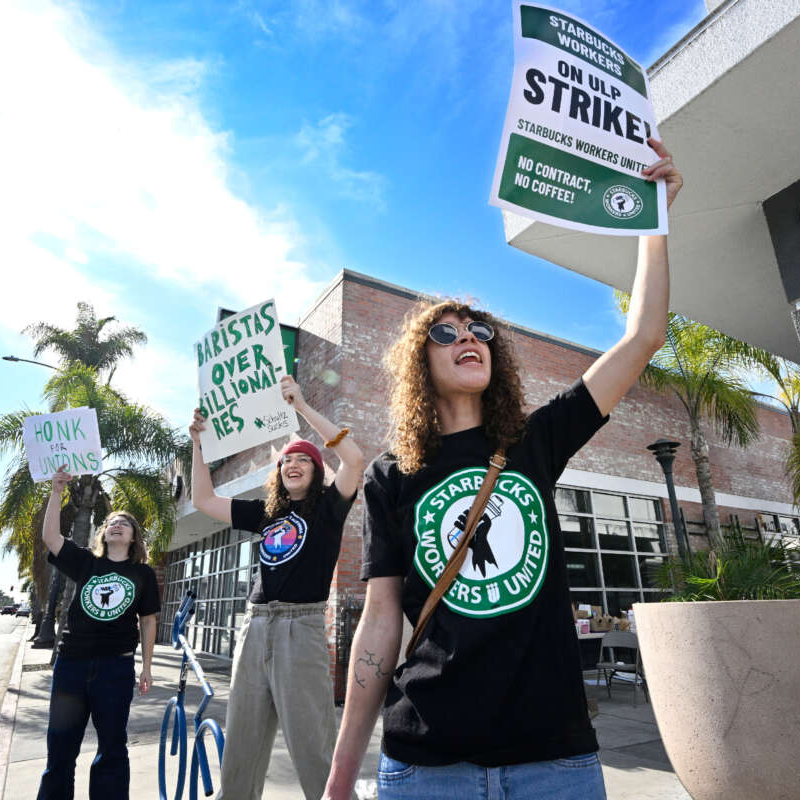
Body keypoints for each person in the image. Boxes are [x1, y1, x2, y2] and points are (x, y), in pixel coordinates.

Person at [322, 139, 682, 800]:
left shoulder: (537, 442)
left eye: (479, 330)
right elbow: (380, 623)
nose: (467, 338)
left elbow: (643, 337)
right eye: (446, 332)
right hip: (426, 763)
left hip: (555, 760)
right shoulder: (390, 476)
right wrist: (342, 775)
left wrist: (652, 222)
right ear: (417, 365)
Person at [188, 374, 365, 800]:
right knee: (242, 748)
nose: (293, 464)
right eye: (286, 460)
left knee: (313, 748)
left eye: (302, 459)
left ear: (316, 469)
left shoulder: (327, 508)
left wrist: (301, 407)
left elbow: (355, 459)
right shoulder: (266, 514)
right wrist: (198, 444)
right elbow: (203, 500)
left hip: (299, 629)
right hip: (255, 628)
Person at [37, 469, 160, 800]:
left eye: (124, 523)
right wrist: (57, 490)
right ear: (103, 534)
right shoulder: (86, 563)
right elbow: (51, 537)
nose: (116, 525)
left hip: (115, 668)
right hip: (71, 666)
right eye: (110, 523)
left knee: (112, 750)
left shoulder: (142, 573)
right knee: (60, 749)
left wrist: (146, 667)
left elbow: (148, 621)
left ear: (133, 537)